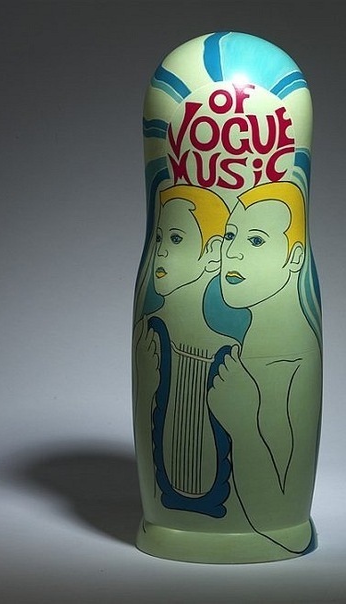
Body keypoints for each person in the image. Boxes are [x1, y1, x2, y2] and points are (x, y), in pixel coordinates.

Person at [208, 181, 322, 554]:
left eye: (256, 240)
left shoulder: (290, 362)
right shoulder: (250, 344)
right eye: (229, 235)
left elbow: (277, 514)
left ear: (294, 258)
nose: (232, 253)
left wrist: (243, 425)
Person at [133, 184, 237, 517]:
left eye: (176, 238)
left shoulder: (228, 352)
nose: (162, 251)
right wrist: (146, 387)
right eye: (159, 238)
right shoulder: (152, 333)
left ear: (213, 253)